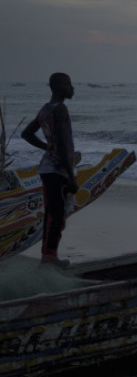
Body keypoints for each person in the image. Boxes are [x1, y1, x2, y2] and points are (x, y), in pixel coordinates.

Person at [21, 72, 79, 268]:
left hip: (48, 168)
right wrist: (71, 176)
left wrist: (47, 147)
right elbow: (62, 143)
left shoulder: (45, 109)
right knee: (57, 216)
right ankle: (49, 260)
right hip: (58, 170)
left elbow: (26, 134)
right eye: (70, 84)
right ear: (60, 86)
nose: (73, 88)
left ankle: (49, 257)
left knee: (52, 214)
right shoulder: (60, 109)